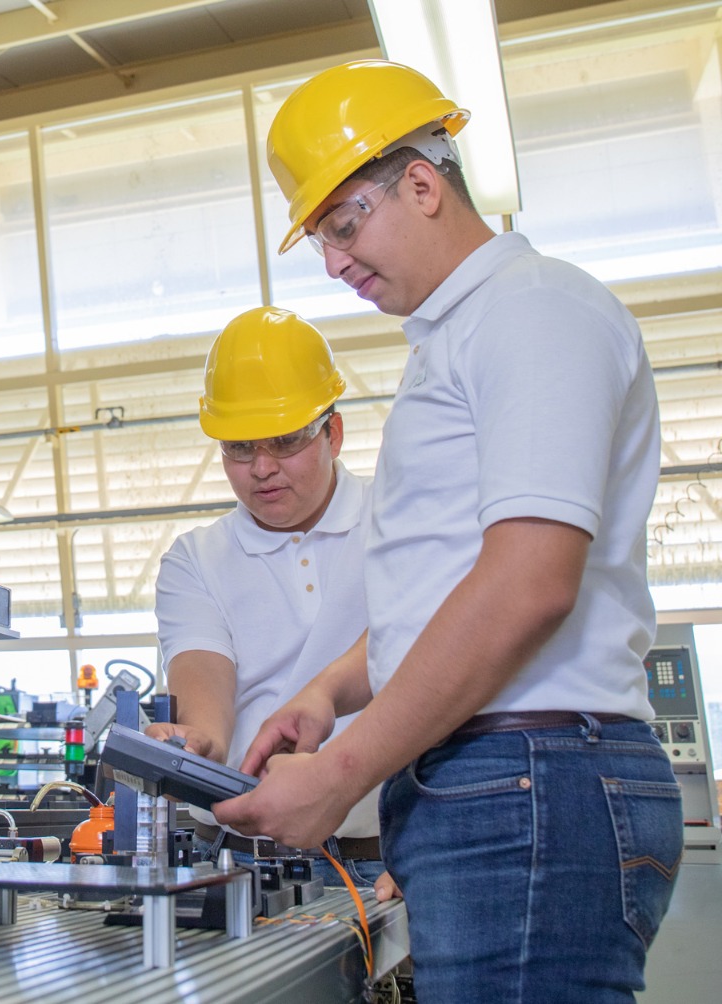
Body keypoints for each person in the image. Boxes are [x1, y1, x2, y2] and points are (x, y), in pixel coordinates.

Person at [214, 60, 683, 1004]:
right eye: (321, 240)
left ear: (423, 185)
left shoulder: (534, 311)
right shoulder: (461, 339)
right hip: (499, 781)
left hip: (531, 778)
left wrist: (341, 772)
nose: (337, 261)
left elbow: (528, 585)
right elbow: (448, 586)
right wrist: (331, 689)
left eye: (346, 224)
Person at [148, 305, 385, 891]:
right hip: (240, 861)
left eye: (283, 441)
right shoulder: (196, 558)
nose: (261, 469)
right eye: (238, 448)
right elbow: (205, 681)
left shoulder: (399, 519)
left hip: (387, 854)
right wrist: (196, 742)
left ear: (333, 431)